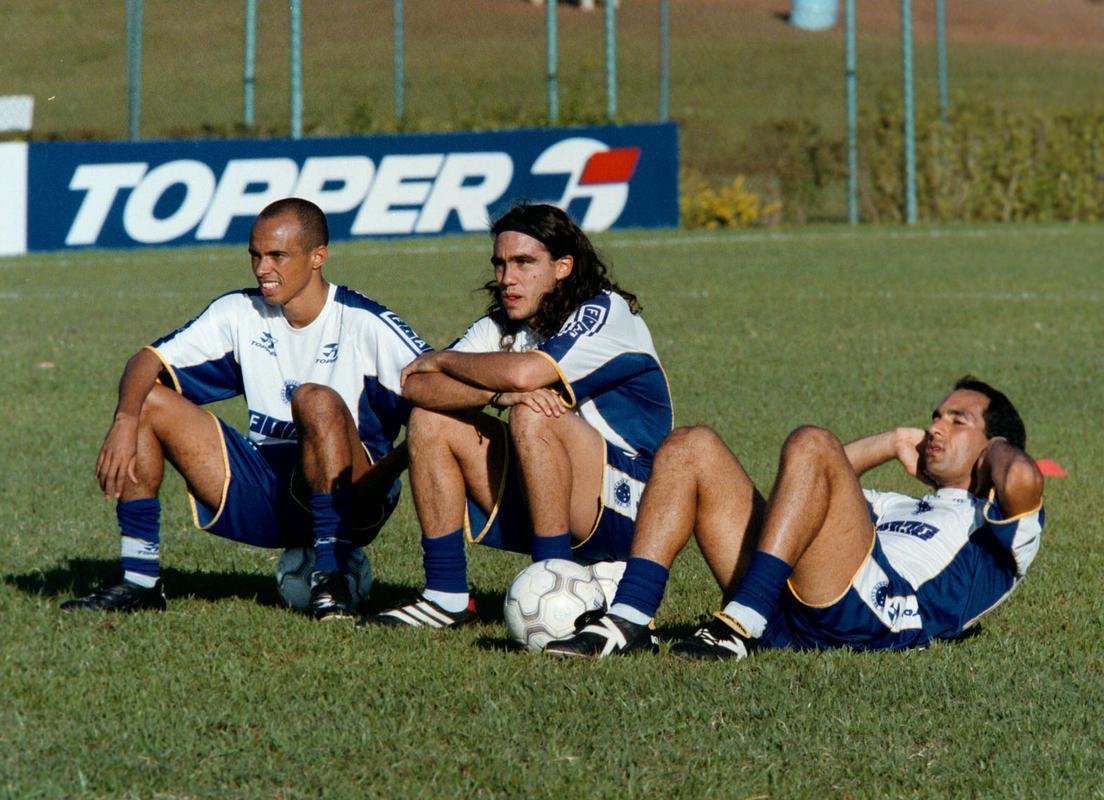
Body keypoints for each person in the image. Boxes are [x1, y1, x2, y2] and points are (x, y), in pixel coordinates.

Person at [62, 197, 429, 620]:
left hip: (354, 496)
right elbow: (148, 360)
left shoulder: (365, 322)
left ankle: (331, 576)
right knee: (146, 397)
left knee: (314, 399)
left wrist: (405, 456)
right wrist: (125, 421)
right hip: (267, 486)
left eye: (277, 256)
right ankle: (140, 580)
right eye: (255, 255)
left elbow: (436, 388)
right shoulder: (240, 312)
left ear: (318, 257)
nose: (261, 269)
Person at [545, 376, 1044, 658]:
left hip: (876, 616)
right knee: (689, 445)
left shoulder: (997, 525)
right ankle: (630, 618)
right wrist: (890, 443)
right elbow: (809, 486)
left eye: (959, 421)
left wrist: (994, 449)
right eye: (936, 415)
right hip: (792, 603)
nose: (936, 427)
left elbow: (1022, 477)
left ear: (992, 444)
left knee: (812, 441)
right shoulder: (899, 503)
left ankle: (739, 623)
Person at [362, 201, 672, 628]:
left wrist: (447, 360)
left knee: (533, 412)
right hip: (554, 487)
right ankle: (445, 596)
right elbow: (417, 385)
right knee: (431, 419)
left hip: (636, 506)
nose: (507, 278)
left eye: (524, 263)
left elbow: (526, 374)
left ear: (563, 266)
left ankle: (552, 578)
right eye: (501, 263)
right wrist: (494, 393)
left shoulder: (604, 311)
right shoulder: (503, 324)